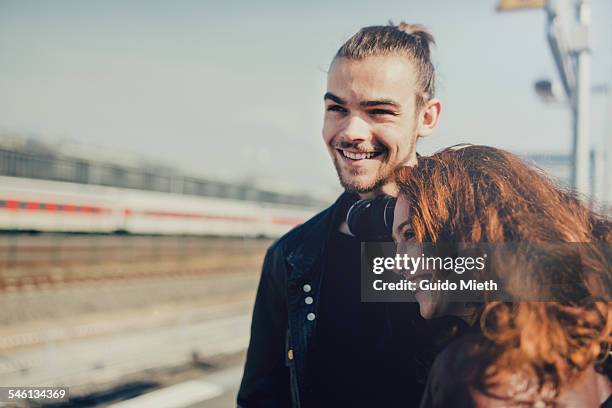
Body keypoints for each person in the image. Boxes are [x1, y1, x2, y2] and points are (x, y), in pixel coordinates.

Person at [237, 22, 443, 407]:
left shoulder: (474, 236)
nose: (351, 131)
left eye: (379, 111)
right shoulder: (292, 256)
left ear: (426, 118)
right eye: (337, 108)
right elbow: (260, 399)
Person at [391, 145, 611, 407]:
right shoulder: (588, 351)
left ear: (466, 229)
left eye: (409, 234)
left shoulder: (478, 375)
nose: (396, 263)